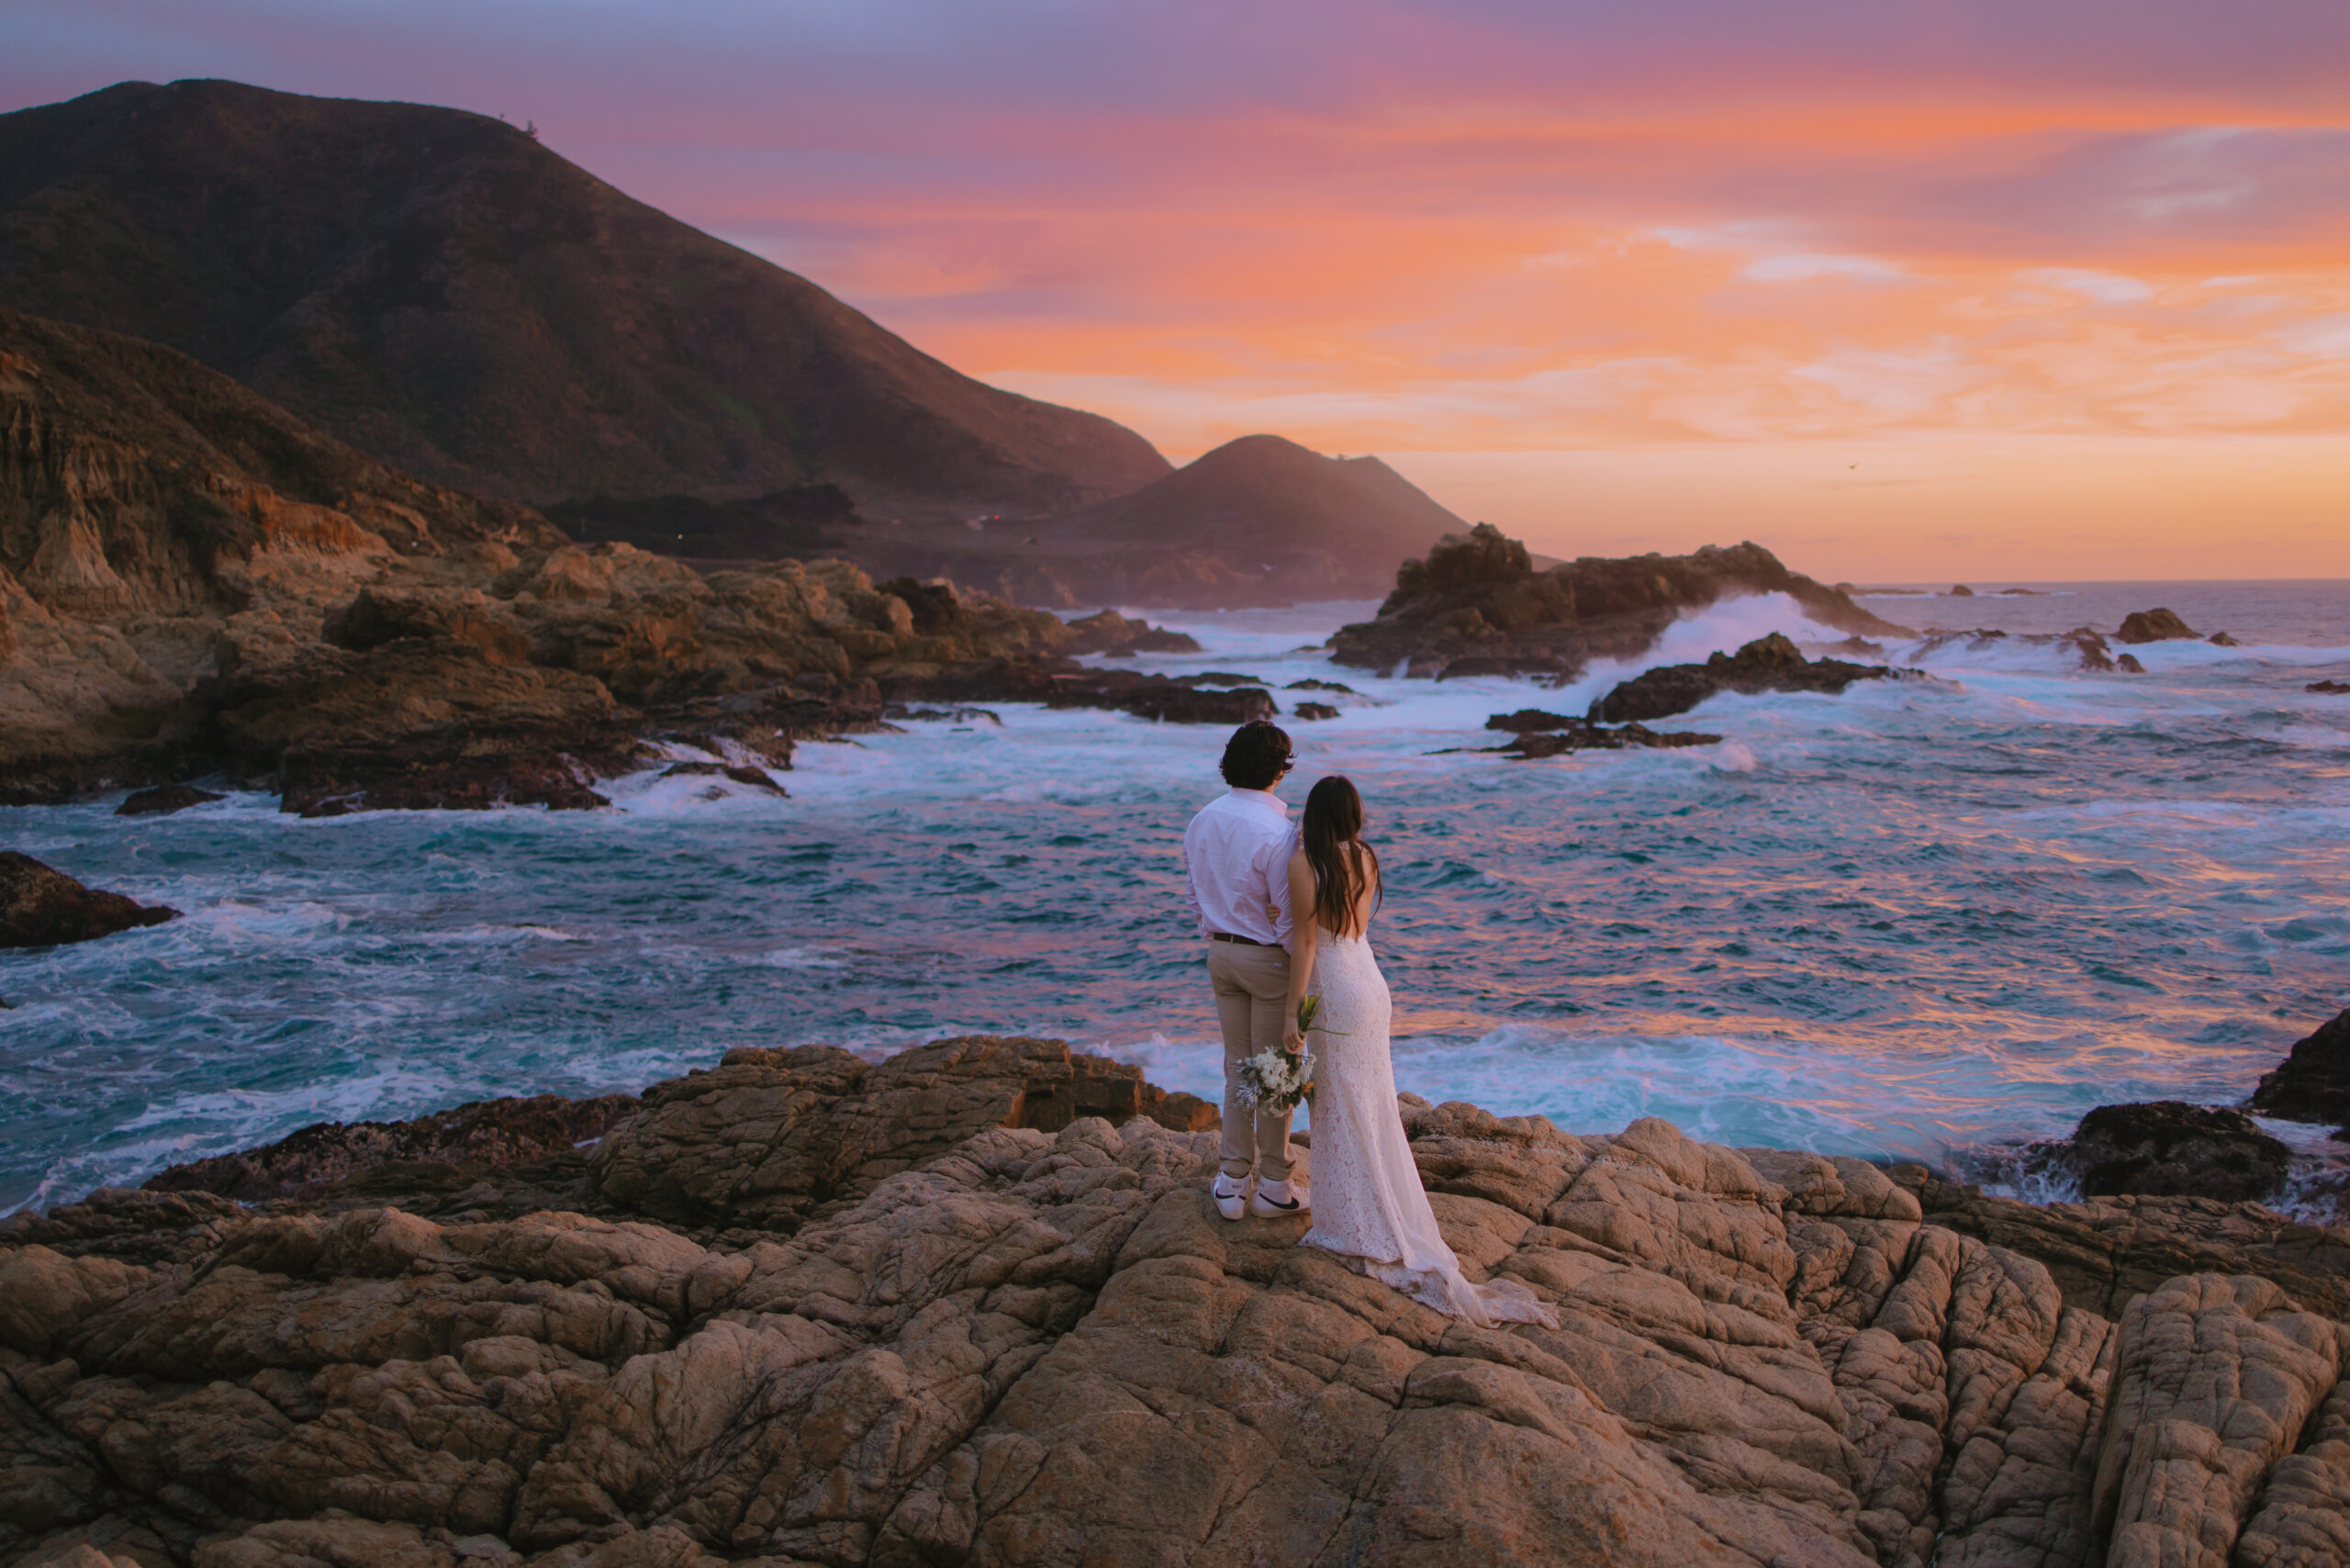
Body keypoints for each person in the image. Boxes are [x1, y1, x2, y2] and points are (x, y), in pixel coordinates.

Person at [1282, 775, 1560, 1328]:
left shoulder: (1303, 864)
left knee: (1340, 1104)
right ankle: (1375, 1211)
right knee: (1374, 1103)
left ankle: (1355, 1223)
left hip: (1335, 990)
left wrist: (1292, 1011)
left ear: (1314, 816)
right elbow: (1354, 926)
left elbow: (1307, 941)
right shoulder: (1364, 858)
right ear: (1352, 817)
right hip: (1371, 982)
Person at [1182, 721, 1308, 1221]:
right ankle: (1275, 1184)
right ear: (1280, 770)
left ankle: (1232, 1180)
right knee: (1276, 1071)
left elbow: (1195, 896)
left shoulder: (1202, 820)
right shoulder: (1281, 832)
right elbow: (1290, 917)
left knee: (1238, 1069)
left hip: (1221, 955)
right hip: (1266, 959)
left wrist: (1219, 932)